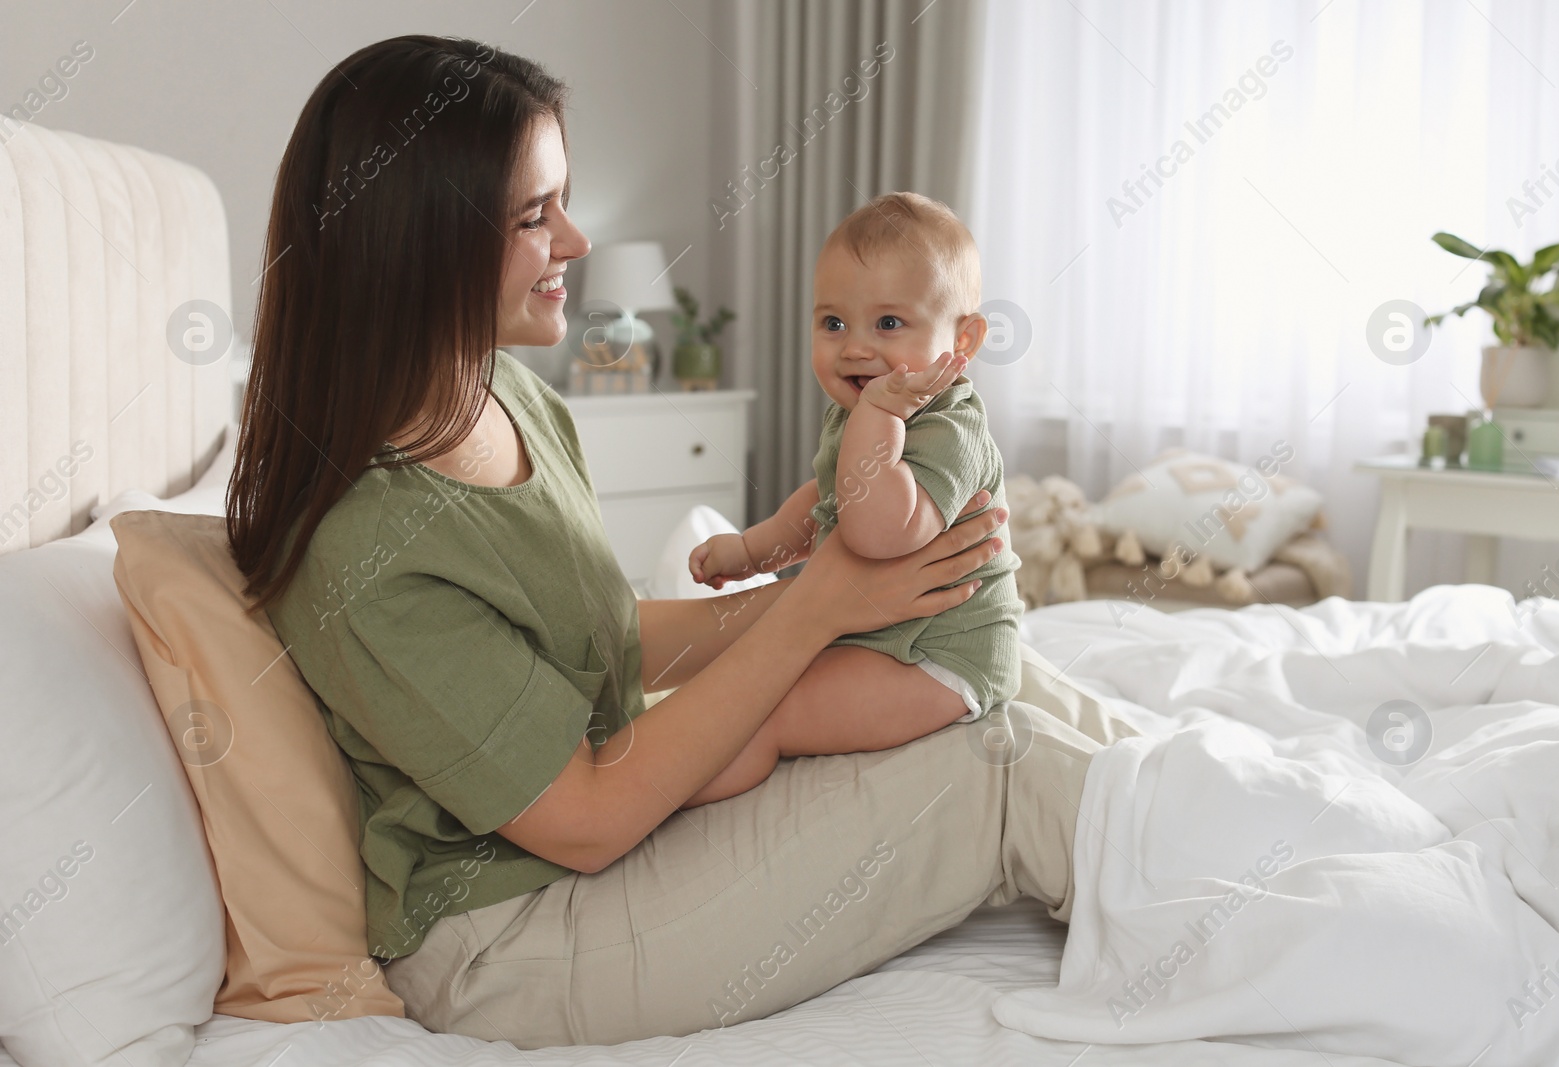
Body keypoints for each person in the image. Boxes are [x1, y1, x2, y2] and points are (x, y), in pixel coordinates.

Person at [228, 34, 1127, 1050]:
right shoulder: (368, 544)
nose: (575, 240)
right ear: (421, 240)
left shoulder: (505, 395)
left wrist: (850, 607)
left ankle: (1204, 795)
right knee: (998, 766)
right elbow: (582, 813)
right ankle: (1250, 911)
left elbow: (596, 636)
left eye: (565, 199)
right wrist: (822, 602)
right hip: (512, 936)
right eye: (535, 214)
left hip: (600, 835)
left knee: (991, 671)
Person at [685, 192, 1024, 806]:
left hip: (941, 660)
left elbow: (876, 532)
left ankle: (666, 803)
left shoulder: (950, 429)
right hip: (882, 635)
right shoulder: (865, 411)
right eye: (833, 323)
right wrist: (752, 550)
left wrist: (878, 416)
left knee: (766, 713)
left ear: (964, 340)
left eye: (889, 323)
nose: (855, 348)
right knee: (741, 677)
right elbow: (825, 501)